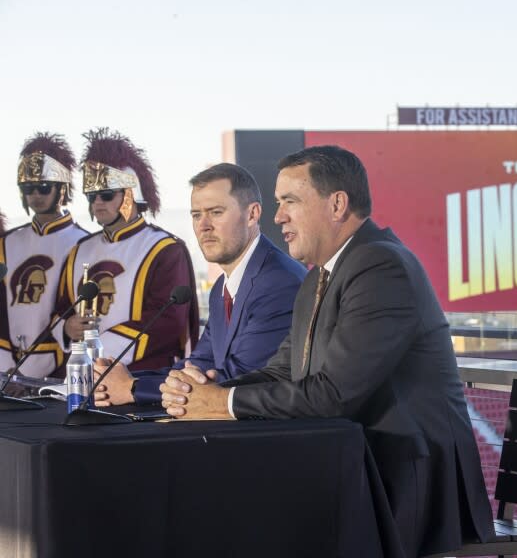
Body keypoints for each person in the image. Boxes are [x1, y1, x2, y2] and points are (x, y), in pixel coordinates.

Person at [161, 145, 494, 557]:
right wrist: (206, 393)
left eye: (290, 202)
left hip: (407, 480)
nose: (278, 216)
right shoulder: (322, 274)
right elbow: (284, 370)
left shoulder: (380, 266)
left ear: (337, 204)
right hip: (353, 466)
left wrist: (223, 402)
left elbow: (333, 395)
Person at [94, 163, 306, 405]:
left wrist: (132, 388)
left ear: (252, 214)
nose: (203, 226)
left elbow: (239, 380)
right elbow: (199, 365)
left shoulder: (279, 282)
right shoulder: (221, 288)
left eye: (216, 212)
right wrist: (120, 378)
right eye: (196, 215)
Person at [55, 128, 199, 370]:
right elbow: (61, 308)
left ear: (131, 195)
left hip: (142, 377)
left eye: (106, 194)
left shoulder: (165, 249)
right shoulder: (78, 250)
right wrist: (67, 328)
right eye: (91, 196)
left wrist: (99, 351)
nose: (97, 202)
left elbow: (168, 321)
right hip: (81, 373)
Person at [0, 132, 88, 377]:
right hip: (4, 365)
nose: (36, 195)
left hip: (62, 366)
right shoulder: (6, 243)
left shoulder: (83, 243)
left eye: (43, 187)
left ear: (61, 189)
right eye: (28, 188)